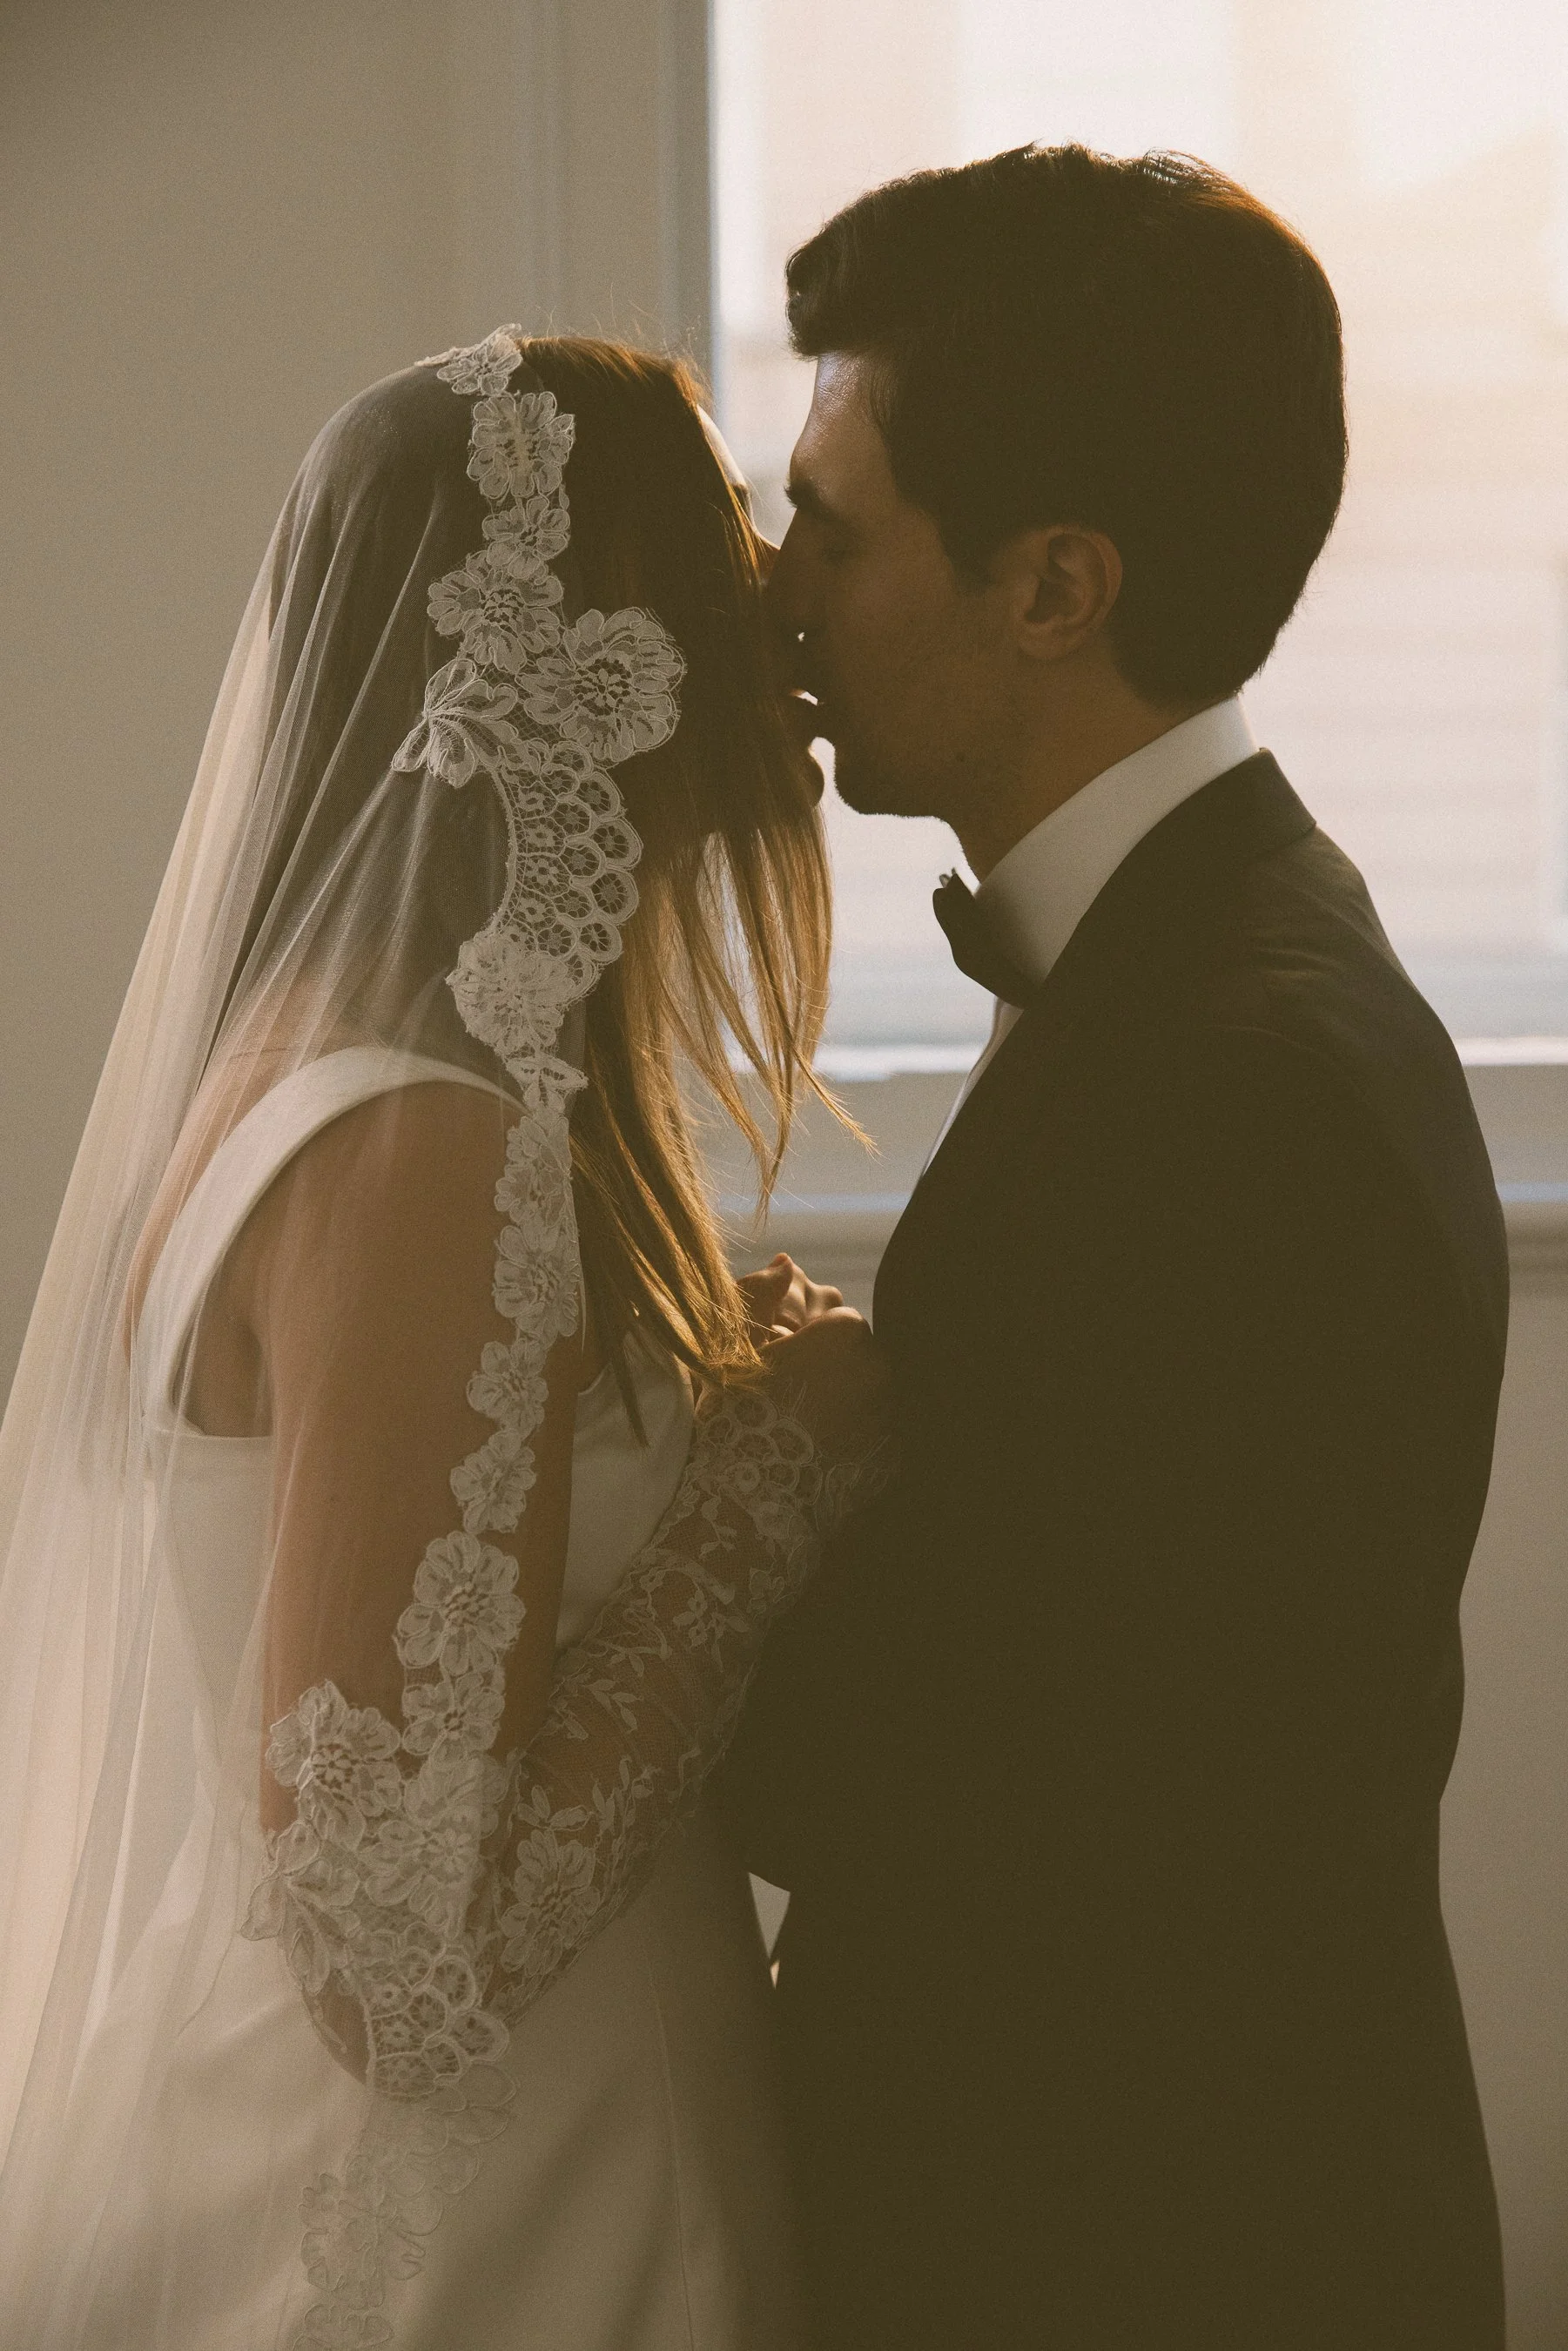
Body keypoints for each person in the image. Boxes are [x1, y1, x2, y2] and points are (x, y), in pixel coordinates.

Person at [0, 329, 885, 2348]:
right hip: (500, 2232)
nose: (776, 602)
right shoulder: (425, 1138)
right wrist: (770, 1484)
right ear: (598, 647)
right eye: (731, 537)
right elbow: (399, 1964)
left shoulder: (326, 1068)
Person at [722, 145, 1510, 2349]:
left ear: (1054, 586)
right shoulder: (1216, 958)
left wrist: (711, 1498)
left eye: (832, 525)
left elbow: (964, 1784)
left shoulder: (1234, 1084)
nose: (775, 592)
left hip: (1147, 2250)